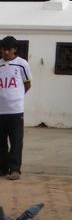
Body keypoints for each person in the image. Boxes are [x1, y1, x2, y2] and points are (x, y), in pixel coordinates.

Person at [0, 36, 31, 180]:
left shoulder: (22, 64)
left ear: (14, 49)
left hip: (15, 110)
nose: (5, 52)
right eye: (3, 49)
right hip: (1, 110)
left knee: (16, 141)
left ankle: (14, 169)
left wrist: (16, 97)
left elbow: (27, 84)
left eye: (8, 49)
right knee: (0, 141)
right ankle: (2, 168)